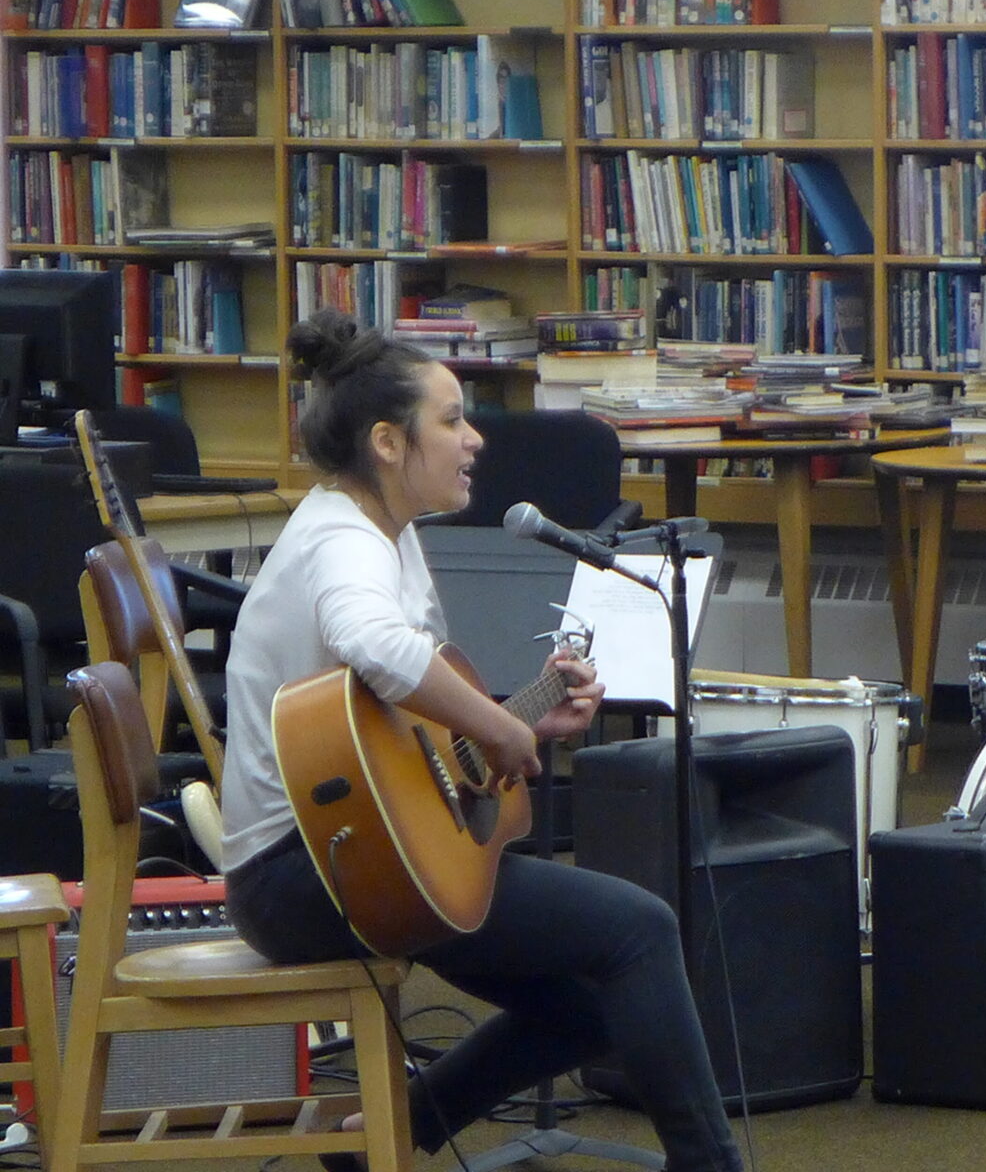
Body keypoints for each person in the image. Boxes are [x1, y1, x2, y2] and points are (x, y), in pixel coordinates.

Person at [220, 308, 745, 1172]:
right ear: (388, 442)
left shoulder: (384, 531)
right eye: (453, 420)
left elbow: (396, 724)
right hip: (313, 874)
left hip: (351, 853)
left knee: (582, 1008)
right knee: (640, 931)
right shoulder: (346, 541)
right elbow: (376, 649)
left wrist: (520, 712)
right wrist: (502, 725)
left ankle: (391, 1136)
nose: (474, 441)